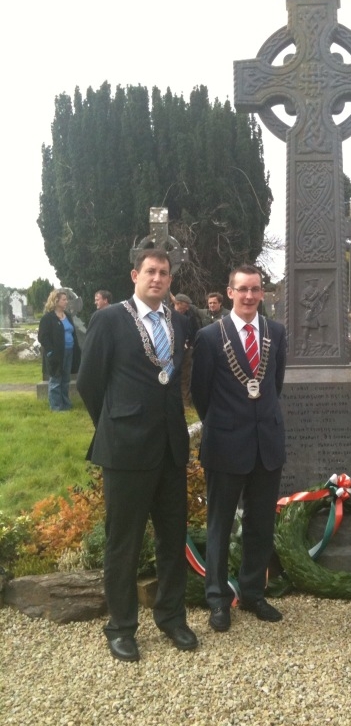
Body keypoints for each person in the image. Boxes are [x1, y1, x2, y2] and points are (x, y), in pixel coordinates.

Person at [77, 248, 198, 662]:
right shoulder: (108, 320)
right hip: (126, 450)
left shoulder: (178, 321)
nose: (158, 278)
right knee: (123, 544)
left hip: (170, 449)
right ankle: (122, 627)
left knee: (172, 539)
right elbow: (90, 383)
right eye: (150, 271)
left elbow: (173, 381)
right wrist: (115, 425)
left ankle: (171, 617)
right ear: (135, 274)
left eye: (164, 273)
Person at [191, 264, 287, 632]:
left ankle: (253, 593)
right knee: (220, 524)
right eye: (242, 289)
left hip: (267, 446)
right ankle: (217, 599)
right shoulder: (210, 337)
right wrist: (228, 424)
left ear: (262, 293)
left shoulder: (276, 333)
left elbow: (273, 385)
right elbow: (200, 393)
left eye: (256, 289)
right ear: (229, 292)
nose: (249, 296)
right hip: (225, 446)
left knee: (260, 524)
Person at [38, 289, 81, 412]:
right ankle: (56, 407)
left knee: (66, 379)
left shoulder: (66, 315)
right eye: (64, 299)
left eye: (66, 299)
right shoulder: (48, 318)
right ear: (56, 301)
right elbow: (42, 337)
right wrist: (50, 352)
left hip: (69, 352)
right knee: (56, 379)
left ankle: (66, 404)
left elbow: (72, 332)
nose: (66, 302)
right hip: (56, 354)